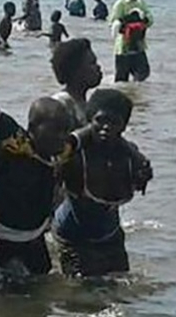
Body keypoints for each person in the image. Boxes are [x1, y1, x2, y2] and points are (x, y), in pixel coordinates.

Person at [53, 89, 152, 277]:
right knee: (81, 293)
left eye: (114, 122)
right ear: (90, 119)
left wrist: (140, 168)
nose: (106, 127)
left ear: (123, 127)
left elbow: (140, 181)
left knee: (120, 289)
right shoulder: (74, 154)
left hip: (110, 234)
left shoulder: (130, 157)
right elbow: (56, 155)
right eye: (100, 120)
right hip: (73, 236)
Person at [0, 96, 82, 277]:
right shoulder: (16, 143)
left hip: (33, 236)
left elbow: (84, 135)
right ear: (32, 129)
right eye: (55, 130)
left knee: (41, 280)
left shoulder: (62, 151)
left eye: (65, 130)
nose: (61, 136)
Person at [109, 0, 154, 82]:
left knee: (143, 73)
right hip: (123, 48)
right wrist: (124, 22)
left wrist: (144, 20)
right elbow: (112, 23)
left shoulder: (140, 3)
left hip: (139, 45)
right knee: (122, 79)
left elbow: (150, 19)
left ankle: (137, 94)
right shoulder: (120, 4)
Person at [51, 38, 104, 128]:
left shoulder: (83, 104)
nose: (98, 67)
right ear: (75, 71)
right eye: (92, 63)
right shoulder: (61, 105)